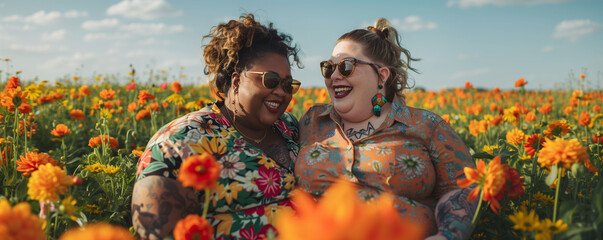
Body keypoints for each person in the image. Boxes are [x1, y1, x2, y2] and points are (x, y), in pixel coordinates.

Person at [295, 18, 477, 240]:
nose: (333, 76)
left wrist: (449, 235)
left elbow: (461, 189)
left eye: (346, 66)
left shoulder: (428, 126)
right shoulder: (311, 121)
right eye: (329, 67)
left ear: (381, 76)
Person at [132, 14, 302, 240]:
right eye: (270, 80)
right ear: (236, 80)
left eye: (288, 84)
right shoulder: (182, 140)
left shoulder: (290, 127)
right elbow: (154, 230)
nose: (281, 91)